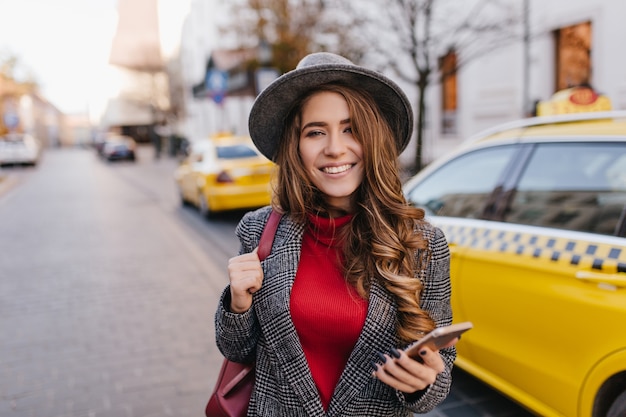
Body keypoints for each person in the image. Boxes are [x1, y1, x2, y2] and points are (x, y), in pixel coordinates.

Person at [215, 52, 455, 416]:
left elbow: (442, 371)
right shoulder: (259, 230)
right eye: (315, 132)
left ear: (373, 138)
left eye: (350, 128)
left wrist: (423, 383)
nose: (334, 148)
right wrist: (237, 304)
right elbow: (235, 350)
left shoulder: (424, 245)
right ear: (295, 147)